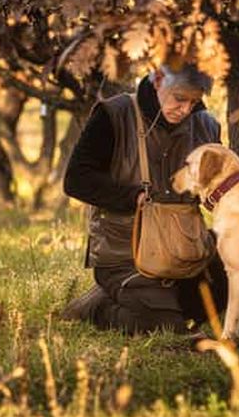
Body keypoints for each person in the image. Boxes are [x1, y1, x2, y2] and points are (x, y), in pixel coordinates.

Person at [61, 64, 228, 337]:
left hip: (185, 249)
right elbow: (76, 180)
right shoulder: (114, 114)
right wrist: (130, 196)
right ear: (158, 79)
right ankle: (98, 308)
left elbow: (220, 186)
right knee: (163, 327)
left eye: (194, 101)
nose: (186, 109)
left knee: (225, 289)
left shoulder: (207, 125)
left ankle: (151, 303)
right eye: (179, 98)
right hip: (125, 254)